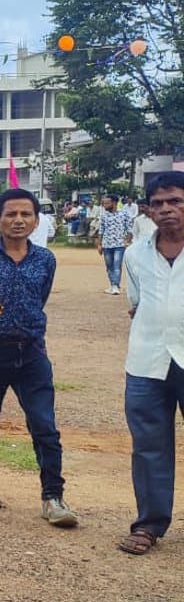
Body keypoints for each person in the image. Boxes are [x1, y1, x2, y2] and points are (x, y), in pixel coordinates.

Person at [0, 188, 77, 528]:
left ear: (36, 220)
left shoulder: (46, 260)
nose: (18, 220)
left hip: (32, 354)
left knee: (45, 426)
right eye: (10, 214)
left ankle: (53, 497)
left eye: (25, 214)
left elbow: (38, 298)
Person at [118, 172, 184, 555]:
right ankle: (148, 524)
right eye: (157, 203)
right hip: (147, 362)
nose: (165, 210)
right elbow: (136, 304)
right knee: (148, 446)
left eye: (175, 201)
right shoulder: (135, 254)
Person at [94, 195, 133, 295]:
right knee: (109, 265)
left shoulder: (124, 214)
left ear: (114, 203)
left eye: (107, 203)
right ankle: (112, 285)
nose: (105, 205)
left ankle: (115, 285)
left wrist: (127, 241)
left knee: (117, 264)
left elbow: (129, 229)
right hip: (107, 244)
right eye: (104, 203)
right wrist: (99, 244)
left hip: (120, 244)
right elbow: (101, 230)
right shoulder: (103, 215)